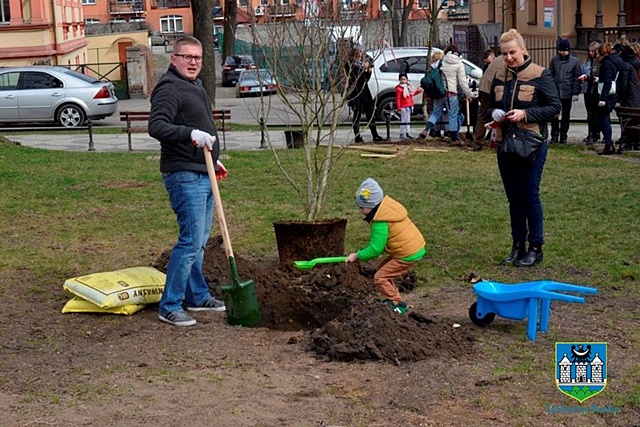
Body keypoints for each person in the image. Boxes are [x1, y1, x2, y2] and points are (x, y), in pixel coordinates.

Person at [149, 35, 227, 327]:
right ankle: (169, 305)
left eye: (198, 57)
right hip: (183, 176)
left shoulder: (195, 86)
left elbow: (201, 128)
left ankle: (197, 295)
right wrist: (191, 135)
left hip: (201, 170)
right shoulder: (169, 88)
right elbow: (156, 126)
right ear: (174, 58)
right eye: (187, 57)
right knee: (190, 240)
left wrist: (212, 158)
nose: (193, 62)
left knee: (201, 241)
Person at [486, 29, 561, 267]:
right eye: (504, 53)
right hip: (505, 144)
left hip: (532, 144)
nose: (508, 58)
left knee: (529, 195)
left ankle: (535, 247)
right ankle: (517, 245)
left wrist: (525, 113)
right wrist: (495, 114)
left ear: (523, 50)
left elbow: (554, 107)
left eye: (512, 52)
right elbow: (489, 106)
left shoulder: (540, 75)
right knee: (514, 198)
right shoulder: (500, 76)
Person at [346, 178, 426, 315]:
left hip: (407, 254)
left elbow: (376, 248)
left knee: (380, 277)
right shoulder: (388, 209)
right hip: (411, 248)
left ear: (372, 206)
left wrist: (357, 255)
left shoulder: (380, 222)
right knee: (384, 271)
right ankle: (392, 299)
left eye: (361, 208)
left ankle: (397, 304)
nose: (360, 211)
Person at [422, 44, 478, 145]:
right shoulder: (459, 64)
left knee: (435, 112)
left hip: (439, 92)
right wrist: (469, 95)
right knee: (453, 115)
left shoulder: (441, 61)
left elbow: (432, 71)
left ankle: (426, 130)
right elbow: (462, 82)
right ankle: (454, 138)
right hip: (451, 93)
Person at [345, 48, 384, 143]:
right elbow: (354, 72)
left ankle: (375, 135)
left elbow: (365, 79)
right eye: (358, 56)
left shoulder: (359, 65)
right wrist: (363, 66)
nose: (359, 58)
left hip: (364, 91)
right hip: (356, 92)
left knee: (370, 112)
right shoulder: (350, 64)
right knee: (357, 114)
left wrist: (369, 71)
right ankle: (357, 136)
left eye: (360, 56)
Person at [548, 39, 583, 144]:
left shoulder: (575, 62)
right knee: (554, 115)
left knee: (566, 115)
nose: (562, 53)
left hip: (568, 92)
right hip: (556, 92)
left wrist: (575, 93)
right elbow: (550, 75)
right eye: (561, 51)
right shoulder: (554, 61)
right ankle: (554, 135)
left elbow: (577, 78)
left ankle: (563, 135)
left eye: (564, 51)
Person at [595, 42, 624, 155]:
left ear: (602, 54)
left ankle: (608, 144)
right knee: (603, 118)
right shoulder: (615, 61)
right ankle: (608, 143)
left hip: (608, 96)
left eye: (598, 54)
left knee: (602, 119)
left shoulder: (606, 64)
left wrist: (602, 98)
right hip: (612, 94)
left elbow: (607, 82)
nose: (596, 56)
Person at [472, 50, 502, 149]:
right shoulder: (508, 60)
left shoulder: (500, 60)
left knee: (483, 115)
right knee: (499, 113)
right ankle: (497, 140)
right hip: (491, 88)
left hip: (484, 88)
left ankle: (478, 140)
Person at [578, 41, 601, 145]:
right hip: (587, 90)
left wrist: (588, 77)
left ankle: (596, 133)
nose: (590, 53)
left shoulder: (599, 62)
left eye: (593, 51)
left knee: (596, 113)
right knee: (589, 113)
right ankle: (590, 133)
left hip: (596, 90)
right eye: (589, 51)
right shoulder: (587, 62)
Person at [419, 51, 445, 139]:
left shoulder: (430, 71)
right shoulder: (443, 68)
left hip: (435, 95)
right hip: (445, 93)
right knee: (453, 112)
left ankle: (427, 129)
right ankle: (453, 134)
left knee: (435, 112)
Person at [395, 73, 422, 140]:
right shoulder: (399, 89)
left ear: (407, 80)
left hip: (409, 105)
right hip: (403, 106)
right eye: (401, 79)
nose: (403, 81)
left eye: (404, 79)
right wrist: (398, 108)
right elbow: (398, 99)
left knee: (407, 120)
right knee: (404, 120)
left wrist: (418, 92)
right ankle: (402, 133)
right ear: (399, 80)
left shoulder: (408, 87)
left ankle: (408, 132)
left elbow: (411, 94)